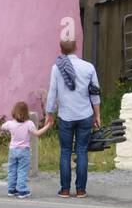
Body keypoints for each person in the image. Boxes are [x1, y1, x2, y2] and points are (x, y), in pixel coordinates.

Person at [40, 37, 101, 197]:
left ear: (61, 50)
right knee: (82, 151)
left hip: (66, 116)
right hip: (85, 114)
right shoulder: (88, 67)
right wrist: (97, 114)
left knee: (65, 152)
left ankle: (65, 189)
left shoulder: (56, 68)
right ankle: (81, 190)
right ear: (76, 47)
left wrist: (49, 114)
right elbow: (95, 93)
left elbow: (52, 92)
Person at [1, 101, 49, 197]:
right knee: (22, 170)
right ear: (26, 113)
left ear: (14, 111)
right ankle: (22, 190)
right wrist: (47, 126)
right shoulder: (29, 124)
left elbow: (2, 127)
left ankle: (11, 189)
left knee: (12, 170)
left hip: (13, 151)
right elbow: (37, 134)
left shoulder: (10, 123)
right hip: (24, 151)